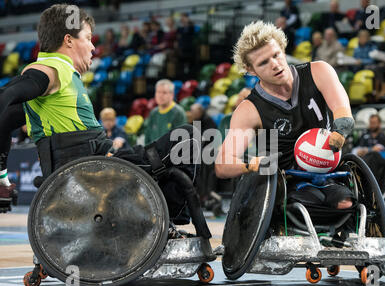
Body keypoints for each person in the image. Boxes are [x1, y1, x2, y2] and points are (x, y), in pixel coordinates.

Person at [0, 4, 209, 239]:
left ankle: (160, 225)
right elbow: (6, 97)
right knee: (189, 136)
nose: (93, 46)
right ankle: (162, 227)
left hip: (98, 164)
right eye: (88, 38)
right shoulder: (49, 69)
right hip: (95, 171)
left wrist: (2, 176)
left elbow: (6, 119)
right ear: (68, 40)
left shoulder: (60, 82)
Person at [215, 21, 355, 210]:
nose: (274, 65)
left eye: (276, 55)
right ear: (251, 70)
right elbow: (223, 164)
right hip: (284, 182)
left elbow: (343, 113)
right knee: (309, 205)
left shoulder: (320, 71)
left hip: (328, 170)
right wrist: (249, 165)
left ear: (282, 48)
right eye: (263, 62)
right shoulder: (249, 109)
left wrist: (340, 132)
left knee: (344, 203)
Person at [143, 79, 187, 145]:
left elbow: (181, 141)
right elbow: (147, 138)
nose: (160, 95)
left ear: (172, 95)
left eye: (164, 93)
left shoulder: (178, 113)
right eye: (158, 92)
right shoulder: (153, 113)